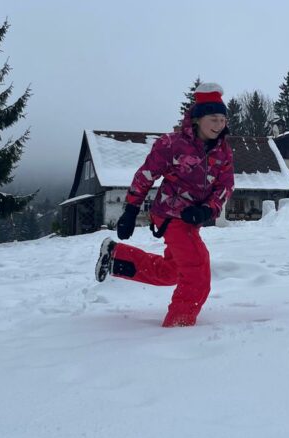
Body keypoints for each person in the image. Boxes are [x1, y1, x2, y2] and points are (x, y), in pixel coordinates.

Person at [96, 82, 234, 328]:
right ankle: (178, 328)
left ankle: (116, 257)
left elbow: (225, 185)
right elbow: (146, 175)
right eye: (213, 119)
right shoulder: (171, 144)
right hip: (171, 215)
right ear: (197, 119)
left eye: (222, 119)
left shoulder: (223, 151)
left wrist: (207, 209)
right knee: (196, 272)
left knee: (173, 271)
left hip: (193, 217)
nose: (219, 124)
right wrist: (131, 210)